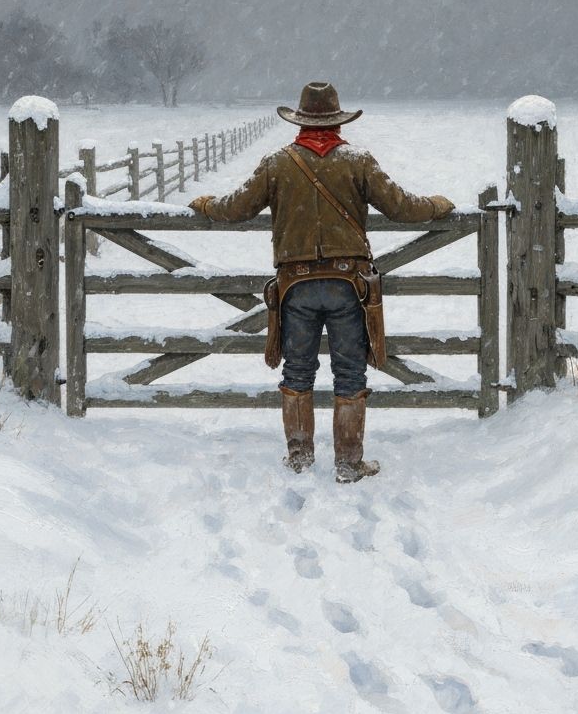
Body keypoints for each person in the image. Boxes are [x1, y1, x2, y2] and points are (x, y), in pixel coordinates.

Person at [189, 82, 454, 483]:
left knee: (297, 371)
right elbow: (402, 207)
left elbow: (236, 208)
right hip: (349, 284)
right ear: (337, 119)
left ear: (299, 119)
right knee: (350, 373)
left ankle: (299, 458)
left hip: (295, 287)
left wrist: (207, 204)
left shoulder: (278, 163)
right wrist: (436, 206)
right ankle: (348, 464)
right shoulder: (359, 161)